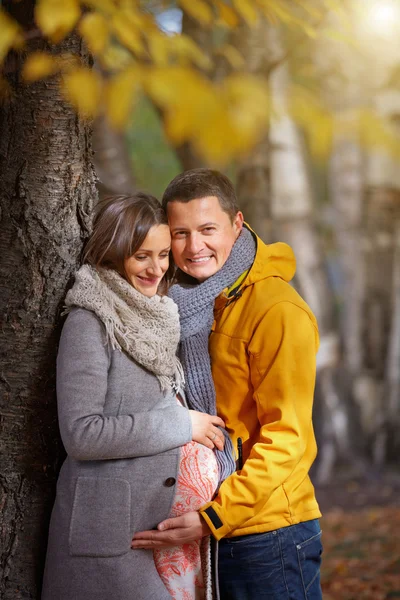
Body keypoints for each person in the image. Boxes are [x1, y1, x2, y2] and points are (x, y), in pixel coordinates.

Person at [132, 170, 323, 599]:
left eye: (207, 229)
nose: (194, 247)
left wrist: (215, 517)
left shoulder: (276, 311)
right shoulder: (180, 304)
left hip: (267, 533)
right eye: (180, 233)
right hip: (212, 532)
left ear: (237, 224)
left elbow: (288, 440)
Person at [41, 192, 227, 600]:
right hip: (109, 539)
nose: (157, 268)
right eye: (142, 255)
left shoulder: (157, 315)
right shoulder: (89, 321)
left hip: (164, 542)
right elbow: (82, 433)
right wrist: (183, 425)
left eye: (163, 255)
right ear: (114, 251)